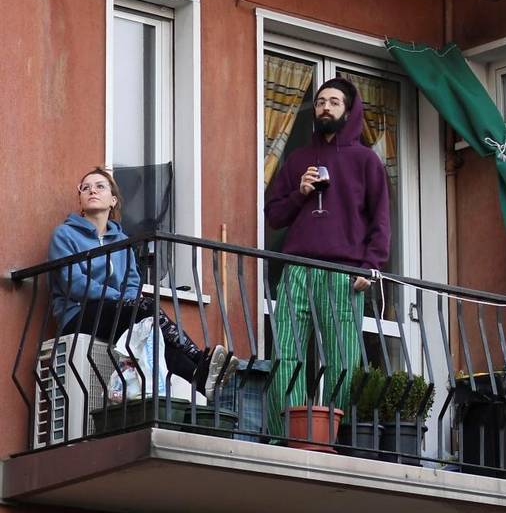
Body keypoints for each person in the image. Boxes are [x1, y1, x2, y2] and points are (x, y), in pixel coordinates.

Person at [265, 77, 390, 437]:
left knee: (342, 359)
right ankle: (282, 434)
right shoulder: (298, 159)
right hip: (298, 268)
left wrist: (372, 265)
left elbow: (380, 218)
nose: (325, 108)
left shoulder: (366, 161)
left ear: (348, 111)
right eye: (320, 102)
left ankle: (339, 438)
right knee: (286, 354)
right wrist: (300, 192)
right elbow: (274, 215)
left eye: (334, 102)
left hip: (343, 271)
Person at [49, 167, 238, 401]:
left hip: (114, 313)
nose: (92, 191)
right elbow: (74, 284)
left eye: (100, 186)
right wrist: (121, 299)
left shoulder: (122, 242)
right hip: (77, 314)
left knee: (149, 328)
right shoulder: (65, 235)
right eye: (85, 187)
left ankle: (198, 376)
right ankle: (199, 360)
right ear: (80, 198)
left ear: (113, 200)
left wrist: (125, 300)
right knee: (146, 308)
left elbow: (132, 283)